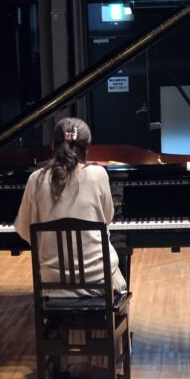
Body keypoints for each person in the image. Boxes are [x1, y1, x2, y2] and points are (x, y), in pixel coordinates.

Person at [14, 116, 127, 295]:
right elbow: (107, 218)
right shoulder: (99, 175)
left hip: (52, 284)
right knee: (120, 281)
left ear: (53, 145)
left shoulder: (36, 179)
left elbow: (25, 230)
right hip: (98, 281)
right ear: (87, 147)